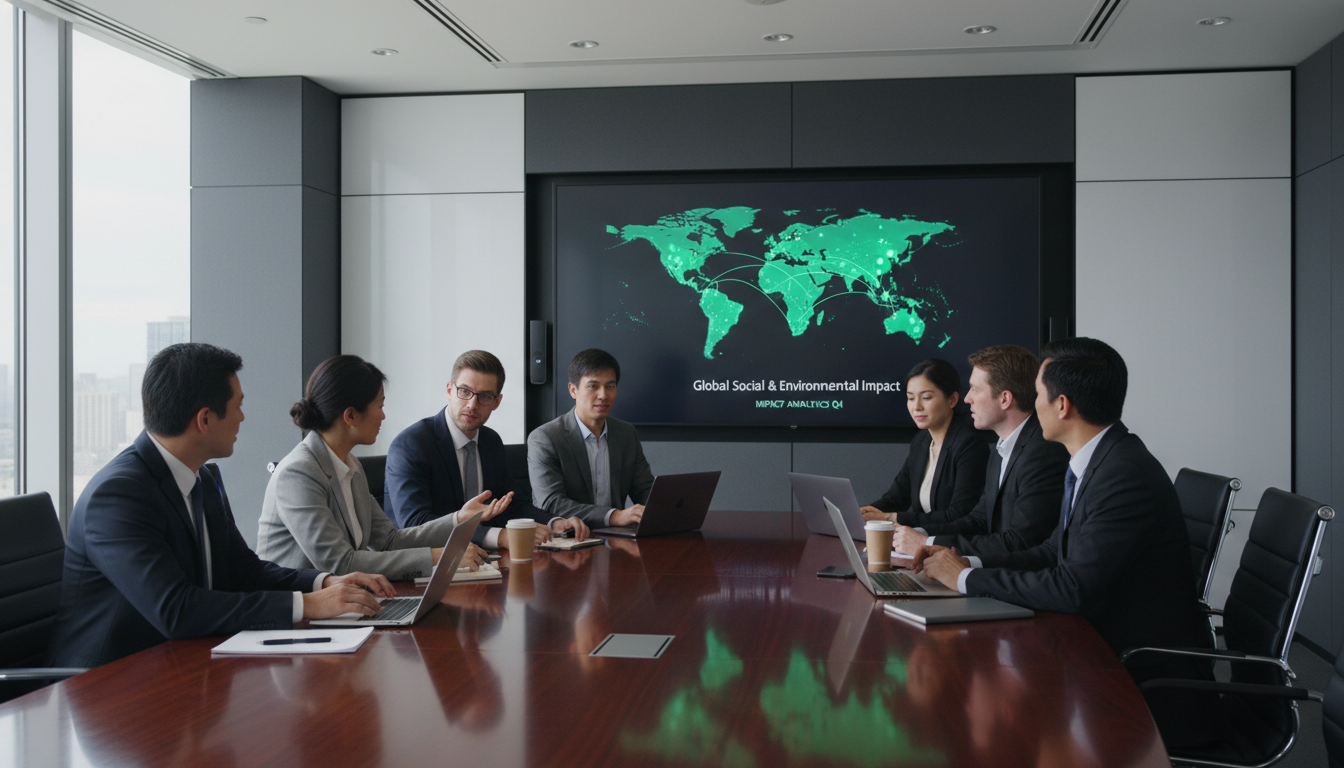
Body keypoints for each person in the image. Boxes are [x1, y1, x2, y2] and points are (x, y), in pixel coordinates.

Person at [914, 337, 1219, 748]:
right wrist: (966, 564)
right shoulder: (1098, 462)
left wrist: (966, 580)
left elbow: (1072, 588)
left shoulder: (1121, 476)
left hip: (1138, 677)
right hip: (1101, 651)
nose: (1030, 404)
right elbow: (1050, 552)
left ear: (1062, 406)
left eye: (1037, 394)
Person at [48, 343, 394, 668]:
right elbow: (176, 609)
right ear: (205, 419)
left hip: (183, 663)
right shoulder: (118, 496)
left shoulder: (202, 477)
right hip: (108, 685)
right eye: (238, 405)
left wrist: (324, 583)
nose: (243, 417)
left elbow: (243, 570)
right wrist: (306, 605)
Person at [256, 355, 509, 580]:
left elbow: (389, 540)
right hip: (298, 615)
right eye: (380, 406)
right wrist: (439, 556)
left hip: (343, 603)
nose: (383, 416)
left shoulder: (349, 463)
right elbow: (341, 563)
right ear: (351, 416)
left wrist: (458, 519)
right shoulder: (298, 472)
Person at [385, 350, 590, 549]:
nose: (472, 405)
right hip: (423, 567)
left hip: (482, 561)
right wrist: (497, 536)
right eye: (464, 391)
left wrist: (554, 522)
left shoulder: (490, 441)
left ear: (496, 402)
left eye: (484, 396)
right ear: (449, 390)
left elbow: (512, 503)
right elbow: (415, 525)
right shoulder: (412, 445)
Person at [890, 345, 1069, 559]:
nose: (967, 399)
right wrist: (918, 535)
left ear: (1005, 399)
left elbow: (1021, 541)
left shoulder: (1043, 453)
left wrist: (927, 543)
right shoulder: (1002, 447)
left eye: (975, 389)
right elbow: (979, 520)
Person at [527, 349, 654, 528]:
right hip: (569, 540)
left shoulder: (626, 433)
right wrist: (613, 516)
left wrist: (664, 510)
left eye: (610, 386)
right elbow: (550, 502)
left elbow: (645, 489)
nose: (603, 395)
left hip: (616, 538)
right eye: (593, 386)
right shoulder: (545, 438)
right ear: (573, 390)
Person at [860, 358, 990, 529]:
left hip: (952, 547)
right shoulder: (921, 441)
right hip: (919, 543)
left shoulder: (970, 444)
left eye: (926, 397)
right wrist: (864, 514)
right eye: (911, 398)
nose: (916, 407)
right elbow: (896, 498)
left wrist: (890, 517)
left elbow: (959, 514)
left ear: (952, 400)